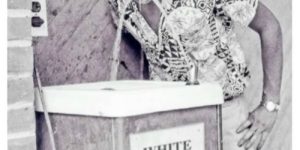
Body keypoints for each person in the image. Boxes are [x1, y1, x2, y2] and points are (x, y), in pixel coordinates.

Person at [108, 0, 282, 149]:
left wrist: (270, 106)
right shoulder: (119, 3)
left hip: (225, 115)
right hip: (168, 121)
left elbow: (269, 26)